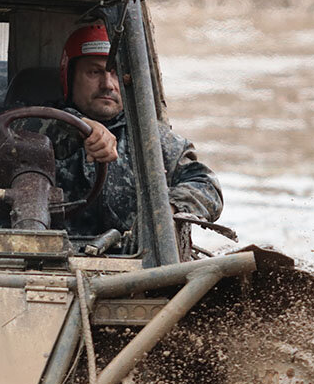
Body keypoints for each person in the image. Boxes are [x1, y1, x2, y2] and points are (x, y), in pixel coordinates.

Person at [31, 21, 223, 238]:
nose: (108, 84)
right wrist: (78, 125)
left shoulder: (153, 139)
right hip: (43, 258)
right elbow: (1, 128)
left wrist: (165, 211)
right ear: (70, 76)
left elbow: (207, 186)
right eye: (94, 72)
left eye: (116, 73)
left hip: (131, 261)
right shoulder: (33, 122)